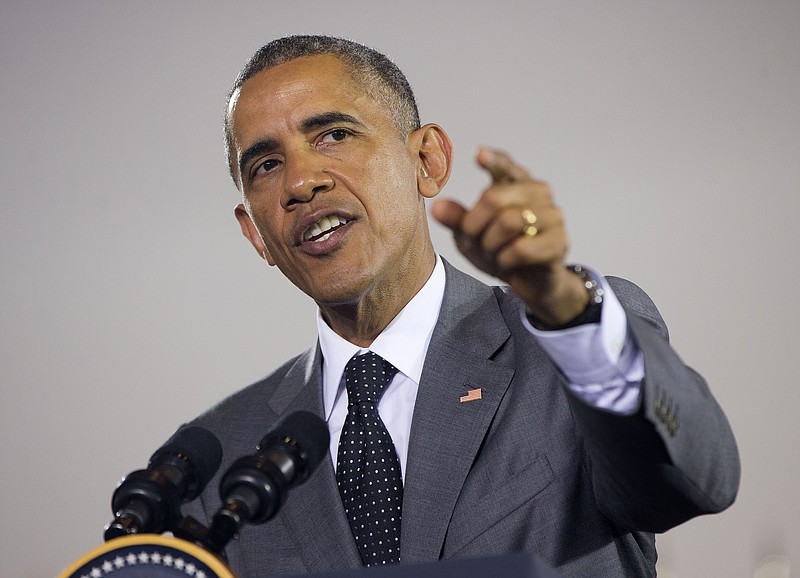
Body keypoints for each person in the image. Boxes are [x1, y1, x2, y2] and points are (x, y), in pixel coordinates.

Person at [180, 35, 740, 577]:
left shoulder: (572, 345)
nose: (300, 182)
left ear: (427, 160)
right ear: (255, 233)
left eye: (333, 135)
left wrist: (566, 309)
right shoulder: (216, 461)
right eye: (265, 166)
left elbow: (695, 481)